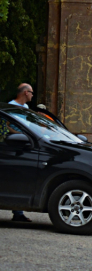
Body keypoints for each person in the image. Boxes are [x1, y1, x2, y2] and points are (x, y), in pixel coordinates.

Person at [7, 83, 33, 223]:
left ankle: (18, 213)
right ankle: (17, 212)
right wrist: (18, 134)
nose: (32, 95)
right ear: (25, 93)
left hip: (24, 145)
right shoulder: (12, 106)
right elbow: (6, 126)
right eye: (31, 93)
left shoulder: (26, 108)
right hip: (14, 145)